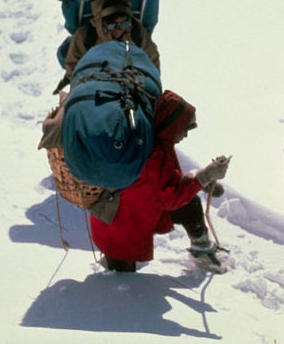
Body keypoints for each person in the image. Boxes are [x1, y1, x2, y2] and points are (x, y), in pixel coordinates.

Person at [90, 90, 230, 271]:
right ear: (173, 125)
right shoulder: (155, 152)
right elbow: (170, 199)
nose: (186, 135)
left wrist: (199, 180)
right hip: (121, 229)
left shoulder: (151, 140)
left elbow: (163, 182)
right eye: (185, 128)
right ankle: (203, 256)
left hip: (118, 219)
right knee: (124, 281)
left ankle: (202, 252)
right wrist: (203, 178)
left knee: (191, 204)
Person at [53, 0, 160, 94]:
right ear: (102, 22)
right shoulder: (86, 35)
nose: (119, 29)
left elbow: (152, 60)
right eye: (113, 25)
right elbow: (74, 65)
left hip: (128, 81)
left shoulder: (136, 31)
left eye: (124, 24)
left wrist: (150, 87)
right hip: (95, 83)